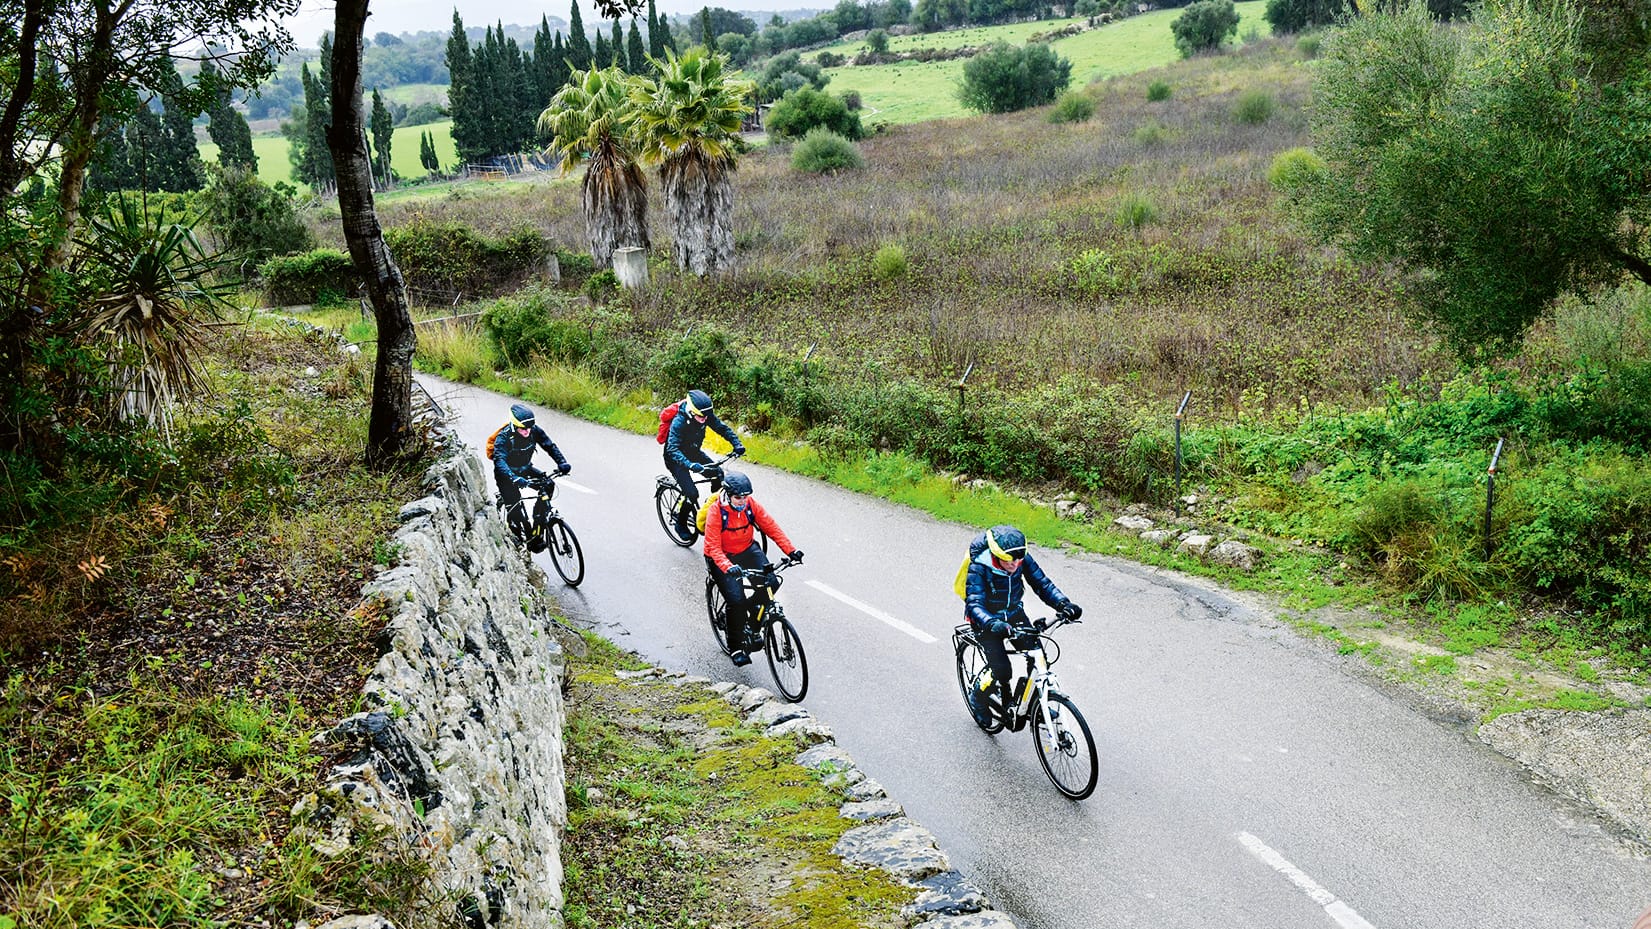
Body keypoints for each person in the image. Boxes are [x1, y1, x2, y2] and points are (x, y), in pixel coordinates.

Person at [963, 525, 1082, 730]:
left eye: (1019, 559)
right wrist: (992, 623)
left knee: (1038, 656)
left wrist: (1063, 604)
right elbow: (974, 604)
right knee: (1001, 671)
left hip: (1014, 613)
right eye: (1010, 560)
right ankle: (978, 697)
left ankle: (1038, 704)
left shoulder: (1020, 559)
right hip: (986, 621)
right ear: (996, 555)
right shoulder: (979, 567)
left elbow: (1042, 584)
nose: (1016, 564)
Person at [703, 471, 803, 668]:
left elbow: (771, 527)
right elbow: (713, 547)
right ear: (728, 494)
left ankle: (750, 620)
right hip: (721, 557)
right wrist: (728, 567)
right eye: (738, 497)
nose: (742, 501)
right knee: (736, 600)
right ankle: (736, 647)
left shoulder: (750, 505)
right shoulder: (716, 512)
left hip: (747, 549)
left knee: (771, 582)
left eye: (745, 497)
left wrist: (791, 550)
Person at [493, 403, 571, 539]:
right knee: (516, 508)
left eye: (529, 428)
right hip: (506, 476)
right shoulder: (503, 438)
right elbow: (499, 461)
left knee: (548, 484)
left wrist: (562, 462)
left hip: (525, 469)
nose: (527, 432)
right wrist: (513, 477)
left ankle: (538, 520)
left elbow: (550, 446)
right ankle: (517, 532)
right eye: (523, 429)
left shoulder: (534, 430)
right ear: (515, 425)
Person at [664, 389, 745, 519]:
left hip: (694, 453)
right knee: (692, 493)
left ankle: (712, 508)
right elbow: (672, 449)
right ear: (691, 412)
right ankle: (681, 521)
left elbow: (722, 429)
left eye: (706, 417)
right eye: (701, 417)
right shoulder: (679, 422)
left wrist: (737, 444)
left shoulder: (705, 415)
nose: (704, 420)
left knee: (718, 474)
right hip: (675, 460)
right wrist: (689, 465)